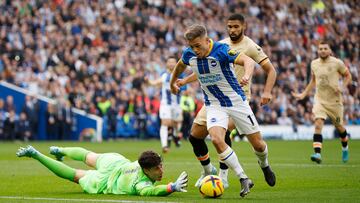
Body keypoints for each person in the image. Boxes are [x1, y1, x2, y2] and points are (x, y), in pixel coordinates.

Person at [175, 14, 277, 189]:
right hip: (214, 101)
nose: (232, 30)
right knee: (198, 136)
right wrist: (183, 81)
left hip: (238, 97)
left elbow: (268, 69)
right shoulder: (215, 44)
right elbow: (203, 69)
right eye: (229, 26)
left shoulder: (250, 46)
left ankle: (263, 165)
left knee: (257, 144)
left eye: (236, 27)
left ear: (244, 26)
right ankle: (223, 175)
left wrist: (264, 89)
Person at [16, 145, 188, 196]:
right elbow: (152, 191)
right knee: (74, 174)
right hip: (105, 181)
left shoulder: (144, 160)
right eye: (157, 168)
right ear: (146, 170)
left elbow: (152, 156)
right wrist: (170, 187)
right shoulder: (141, 183)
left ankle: (59, 150)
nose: (161, 170)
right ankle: (36, 154)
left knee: (88, 155)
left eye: (161, 166)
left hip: (116, 163)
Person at [292, 40, 352, 164]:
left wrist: (342, 87)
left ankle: (345, 147)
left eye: (325, 48)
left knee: (340, 127)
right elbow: (313, 81)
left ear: (330, 50)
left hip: (335, 101)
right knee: (318, 124)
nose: (323, 50)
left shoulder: (337, 63)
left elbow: (348, 76)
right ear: (317, 50)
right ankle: (317, 153)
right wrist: (303, 94)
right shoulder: (314, 64)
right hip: (320, 100)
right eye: (320, 49)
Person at [145, 57, 183, 153]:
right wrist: (148, 81)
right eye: (169, 62)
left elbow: (185, 89)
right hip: (166, 103)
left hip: (177, 105)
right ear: (167, 64)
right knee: (165, 122)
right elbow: (154, 83)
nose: (171, 64)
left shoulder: (180, 75)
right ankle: (164, 145)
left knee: (177, 123)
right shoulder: (164, 76)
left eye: (173, 62)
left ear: (176, 63)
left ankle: (175, 135)